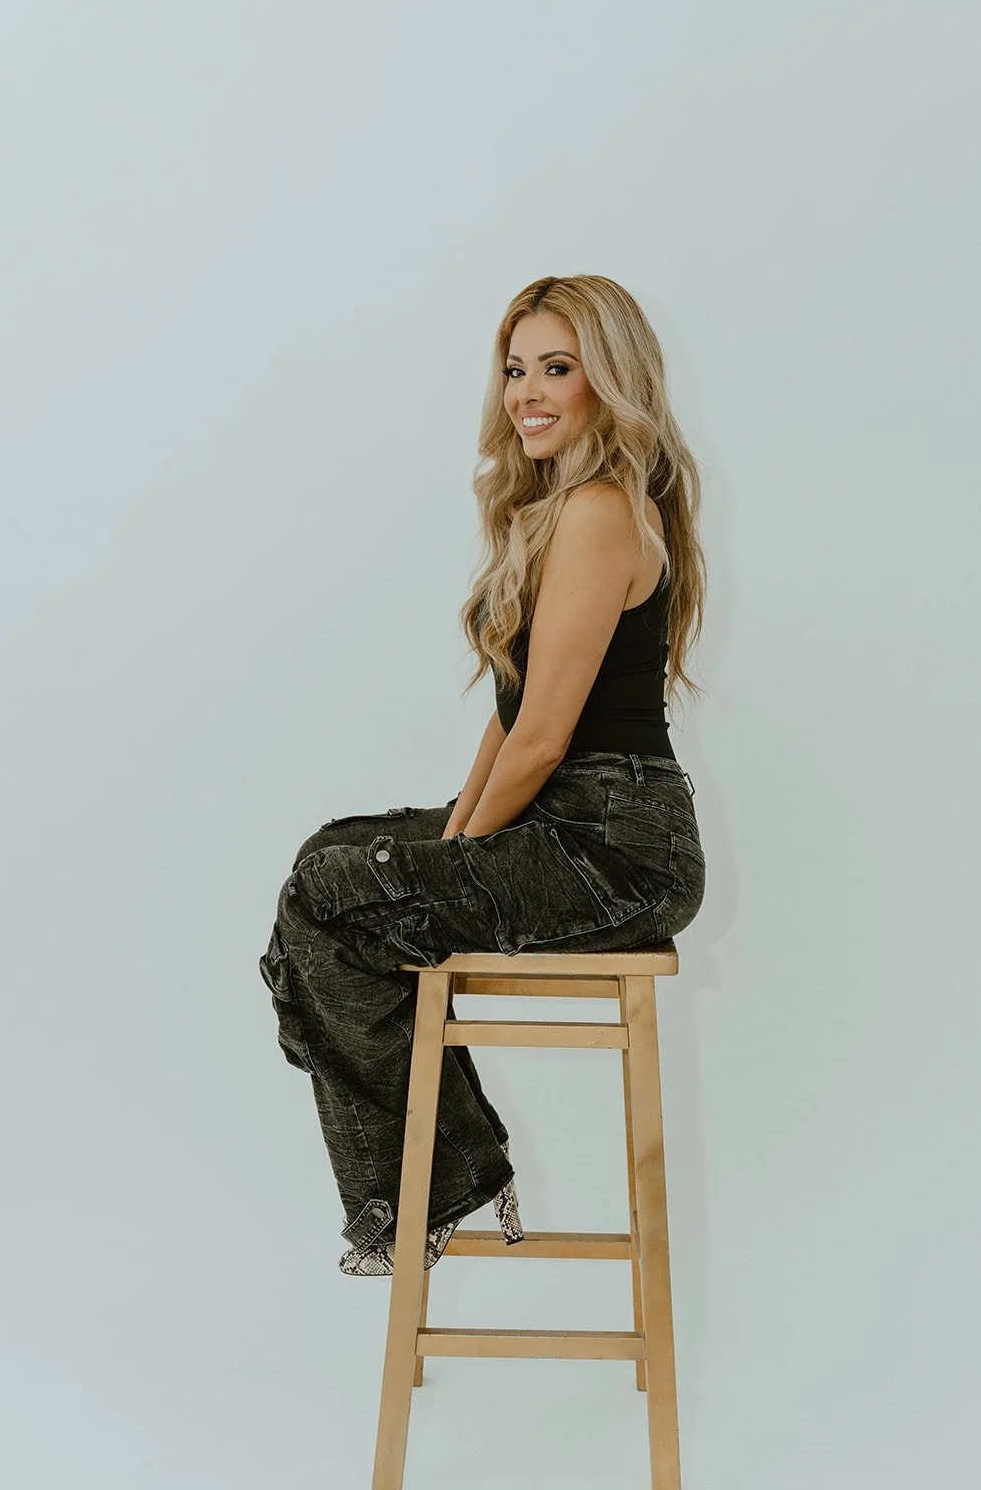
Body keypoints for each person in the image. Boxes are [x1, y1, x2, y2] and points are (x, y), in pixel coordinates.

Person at [258, 273, 709, 1276]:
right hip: (568, 826)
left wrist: (455, 856)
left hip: (615, 851)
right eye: (514, 369)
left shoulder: (599, 509)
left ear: (609, 380)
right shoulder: (560, 510)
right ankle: (438, 1171)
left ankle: (434, 1182)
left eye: (557, 368)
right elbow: (510, 722)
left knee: (330, 898)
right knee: (332, 859)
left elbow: (543, 741)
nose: (526, 393)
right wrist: (445, 845)